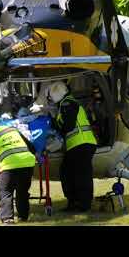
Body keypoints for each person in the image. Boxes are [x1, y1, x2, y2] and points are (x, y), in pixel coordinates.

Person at [48, 81, 98, 212]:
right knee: (67, 172)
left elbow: (68, 126)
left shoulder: (67, 103)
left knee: (80, 174)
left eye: (51, 97)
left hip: (81, 143)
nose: (51, 100)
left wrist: (54, 124)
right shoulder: (67, 104)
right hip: (79, 144)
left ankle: (83, 204)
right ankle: (74, 202)